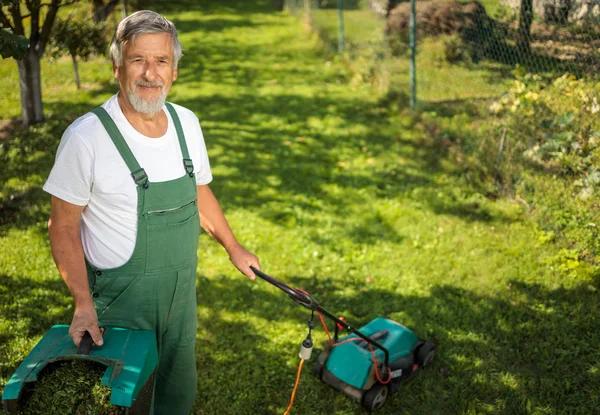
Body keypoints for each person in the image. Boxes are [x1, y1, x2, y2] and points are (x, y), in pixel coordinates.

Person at [44, 10, 260, 414]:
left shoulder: (186, 124)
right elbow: (62, 226)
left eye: (161, 61)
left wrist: (233, 246)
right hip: (121, 302)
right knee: (125, 400)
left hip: (181, 298)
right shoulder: (86, 137)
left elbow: (199, 192)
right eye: (138, 60)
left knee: (176, 389)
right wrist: (82, 303)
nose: (150, 73)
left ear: (174, 70)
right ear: (117, 67)